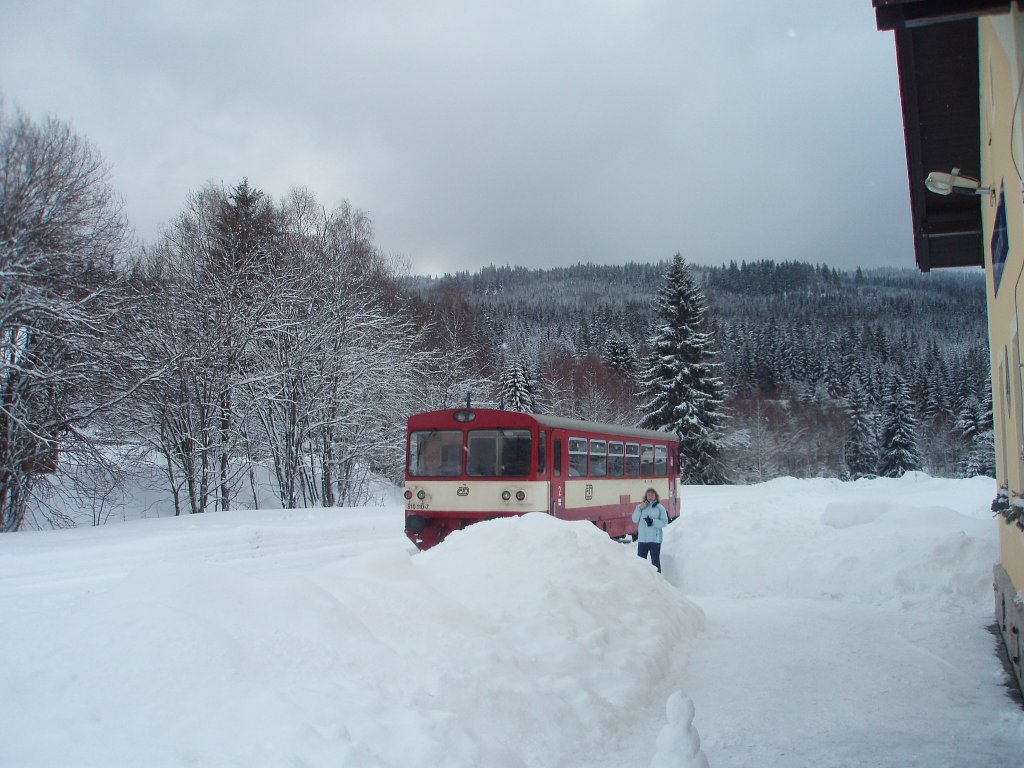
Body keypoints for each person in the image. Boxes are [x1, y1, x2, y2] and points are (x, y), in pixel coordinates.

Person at [632, 487, 668, 573]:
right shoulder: (640, 507)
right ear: (646, 496)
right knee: (640, 563)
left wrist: (653, 522)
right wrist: (640, 508)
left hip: (654, 540)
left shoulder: (660, 508)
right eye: (648, 494)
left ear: (656, 496)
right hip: (642, 540)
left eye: (652, 494)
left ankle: (658, 582)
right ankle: (642, 580)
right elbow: (634, 519)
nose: (650, 496)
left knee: (655, 563)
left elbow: (664, 522)